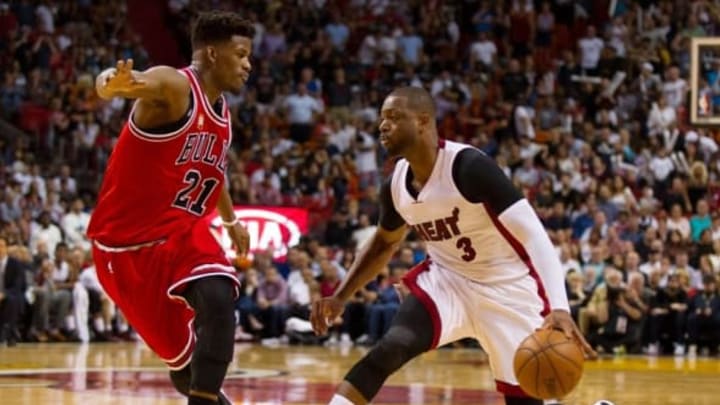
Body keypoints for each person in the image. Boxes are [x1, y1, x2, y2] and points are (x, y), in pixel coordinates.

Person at [310, 87, 596, 405]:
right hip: (448, 281)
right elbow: (382, 245)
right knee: (392, 347)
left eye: (392, 117)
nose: (382, 126)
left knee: (526, 398)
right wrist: (340, 297)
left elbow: (534, 235)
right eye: (381, 119)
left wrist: (559, 307)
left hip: (507, 288)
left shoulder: (468, 167)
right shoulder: (394, 187)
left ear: (422, 121)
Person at [87, 11, 253, 405]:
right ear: (212, 54)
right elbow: (128, 82)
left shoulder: (222, 111)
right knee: (185, 370)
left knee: (218, 296)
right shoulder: (176, 85)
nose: (248, 64)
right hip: (124, 250)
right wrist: (111, 84)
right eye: (241, 53)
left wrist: (230, 221)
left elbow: (212, 169)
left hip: (179, 234)